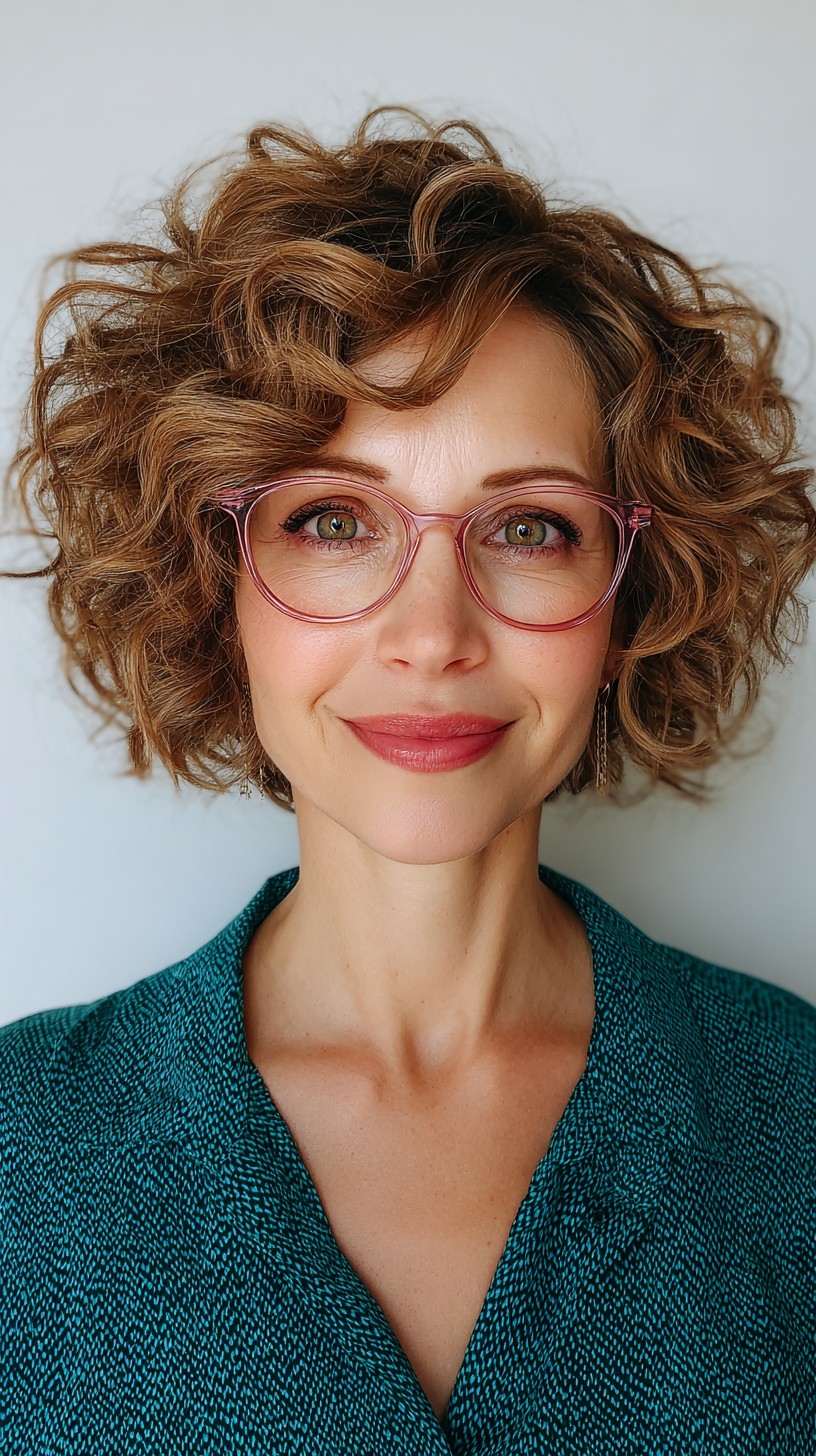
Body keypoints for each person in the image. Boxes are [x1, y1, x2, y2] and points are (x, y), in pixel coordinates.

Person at [1, 104, 815, 1455]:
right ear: (219, 589)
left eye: (529, 527)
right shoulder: (20, 1155)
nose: (433, 634)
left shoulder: (794, 1122)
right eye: (332, 521)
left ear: (631, 599)